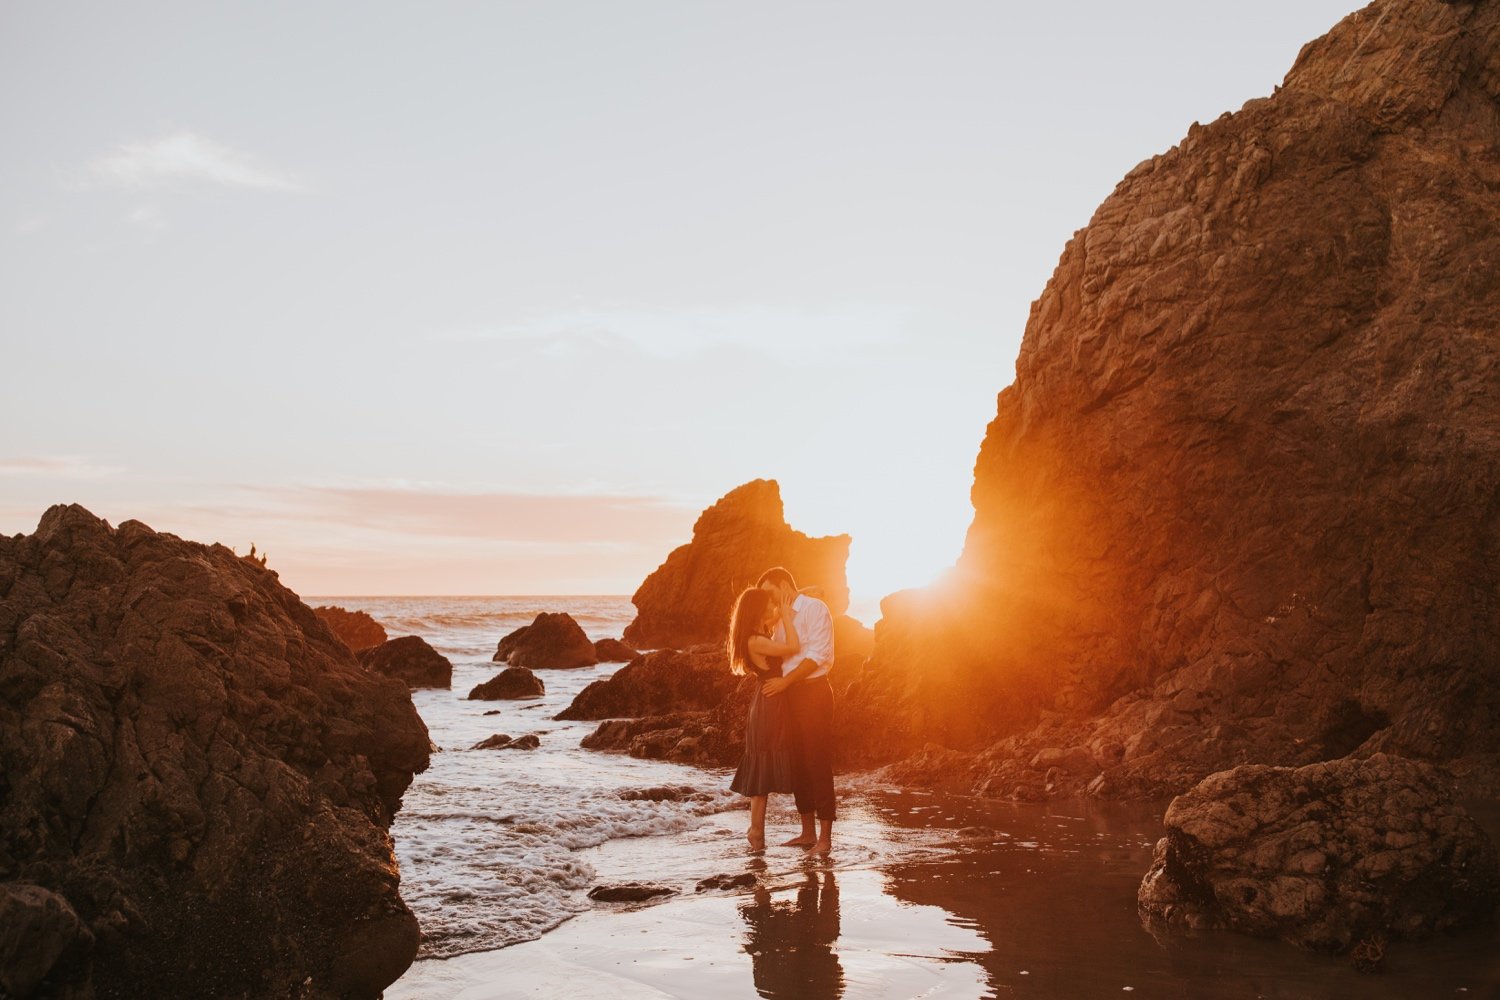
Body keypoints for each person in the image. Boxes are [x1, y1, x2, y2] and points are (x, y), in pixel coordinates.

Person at [756, 567, 836, 852]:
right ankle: (807, 833)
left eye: (770, 592)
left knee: (817, 762)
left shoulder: (815, 608)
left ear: (783, 585)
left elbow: (818, 655)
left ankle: (825, 839)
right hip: (787, 696)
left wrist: (785, 682)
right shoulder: (779, 618)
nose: (768, 599)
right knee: (798, 764)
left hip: (813, 692)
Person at [727, 586, 803, 850]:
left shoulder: (758, 632)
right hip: (769, 704)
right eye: (768, 605)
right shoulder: (755, 640)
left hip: (770, 700)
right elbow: (793, 646)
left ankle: (756, 830)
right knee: (762, 769)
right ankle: (756, 830)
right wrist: (783, 613)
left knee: (764, 768)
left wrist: (790, 601)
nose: (772, 609)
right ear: (757, 609)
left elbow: (779, 616)